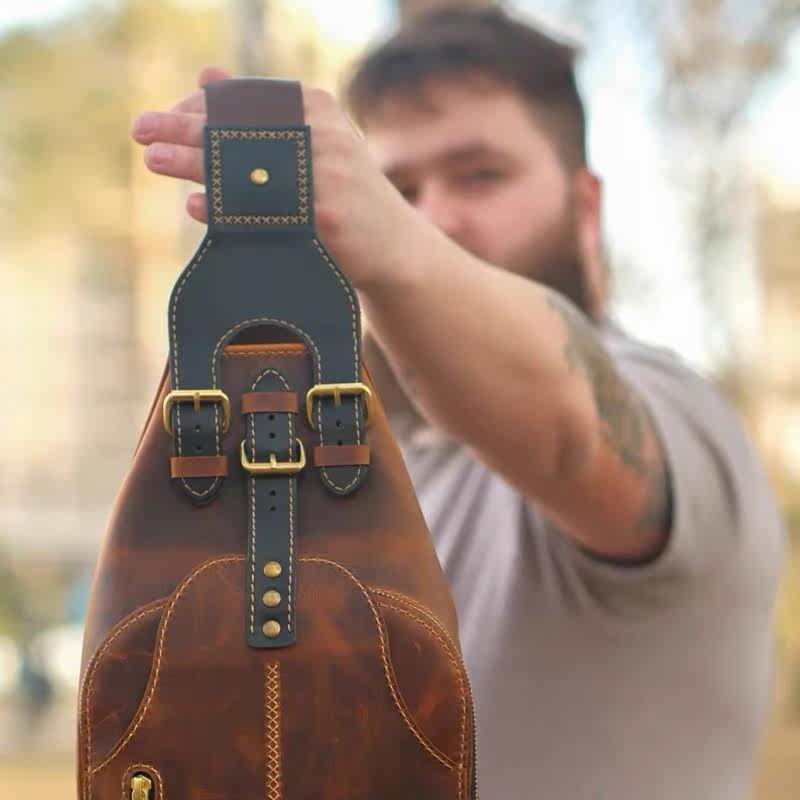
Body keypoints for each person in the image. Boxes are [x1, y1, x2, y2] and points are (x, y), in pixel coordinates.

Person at [131, 7, 786, 799]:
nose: (434, 217)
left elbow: (574, 433)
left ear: (585, 206)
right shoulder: (356, 468)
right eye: (399, 187)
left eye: (480, 174)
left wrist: (391, 235)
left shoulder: (679, 414)